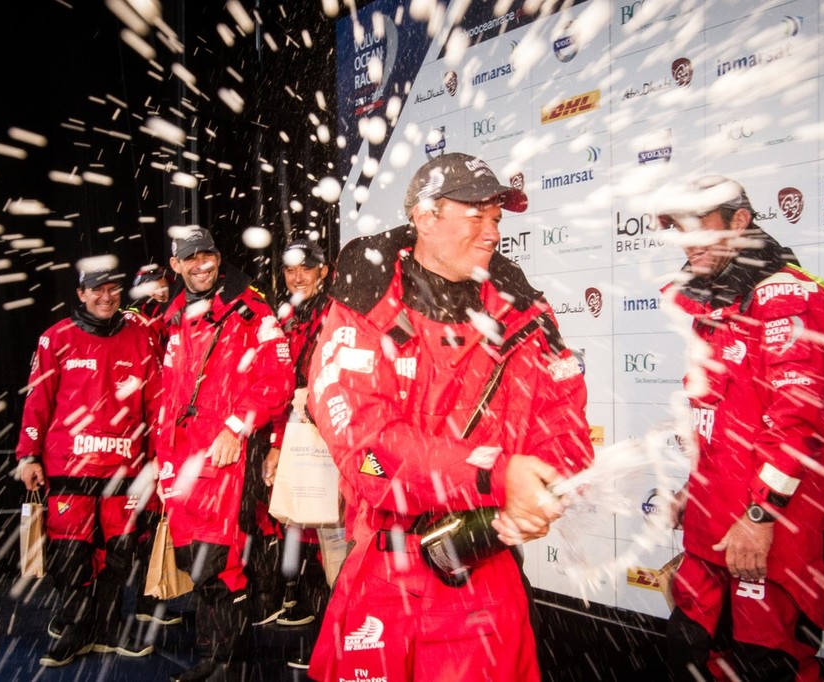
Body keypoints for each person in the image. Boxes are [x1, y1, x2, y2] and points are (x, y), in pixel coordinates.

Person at [305, 152, 594, 682]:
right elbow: (366, 457)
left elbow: (565, 421)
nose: (492, 232)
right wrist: (497, 475)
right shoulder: (362, 302)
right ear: (425, 217)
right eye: (476, 216)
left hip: (485, 571)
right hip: (385, 572)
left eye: (497, 219)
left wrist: (546, 488)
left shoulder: (525, 311)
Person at [657, 175, 824, 681]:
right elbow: (724, 418)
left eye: (701, 227)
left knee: (768, 666)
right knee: (694, 654)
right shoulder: (713, 299)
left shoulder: (787, 295)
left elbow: (797, 423)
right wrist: (691, 488)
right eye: (679, 228)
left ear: (740, 222)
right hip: (712, 529)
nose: (687, 241)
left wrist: (761, 517)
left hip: (771, 535)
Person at [157, 226, 294, 681]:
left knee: (222, 561)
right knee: (195, 563)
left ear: (218, 256)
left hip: (227, 461)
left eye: (208, 254)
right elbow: (170, 394)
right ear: (176, 265)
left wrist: (238, 425)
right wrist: (163, 458)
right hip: (184, 461)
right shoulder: (175, 312)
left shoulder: (252, 309)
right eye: (191, 258)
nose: (202, 264)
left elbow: (278, 380)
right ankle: (209, 656)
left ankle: (226, 664)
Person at [15, 264, 162, 667]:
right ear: (80, 293)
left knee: (119, 555)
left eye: (113, 289)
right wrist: (27, 455)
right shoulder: (55, 338)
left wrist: (160, 462)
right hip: (68, 469)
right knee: (71, 556)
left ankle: (110, 628)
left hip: (124, 469)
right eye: (97, 289)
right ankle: (76, 628)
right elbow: (37, 401)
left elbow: (156, 405)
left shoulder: (141, 337)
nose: (106, 296)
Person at [262, 238, 341, 669]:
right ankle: (320, 625)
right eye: (290, 269)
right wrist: (277, 440)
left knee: (334, 537)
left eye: (305, 269)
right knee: (305, 532)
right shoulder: (283, 315)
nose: (297, 277)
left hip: (331, 435)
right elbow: (277, 382)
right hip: (295, 434)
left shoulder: (338, 313)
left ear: (323, 271)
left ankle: (341, 645)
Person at [123, 262, 181, 627]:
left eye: (163, 285)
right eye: (152, 285)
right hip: (132, 439)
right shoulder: (132, 323)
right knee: (135, 524)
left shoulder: (160, 320)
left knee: (150, 521)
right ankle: (138, 604)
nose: (160, 291)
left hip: (152, 435)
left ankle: (151, 597)